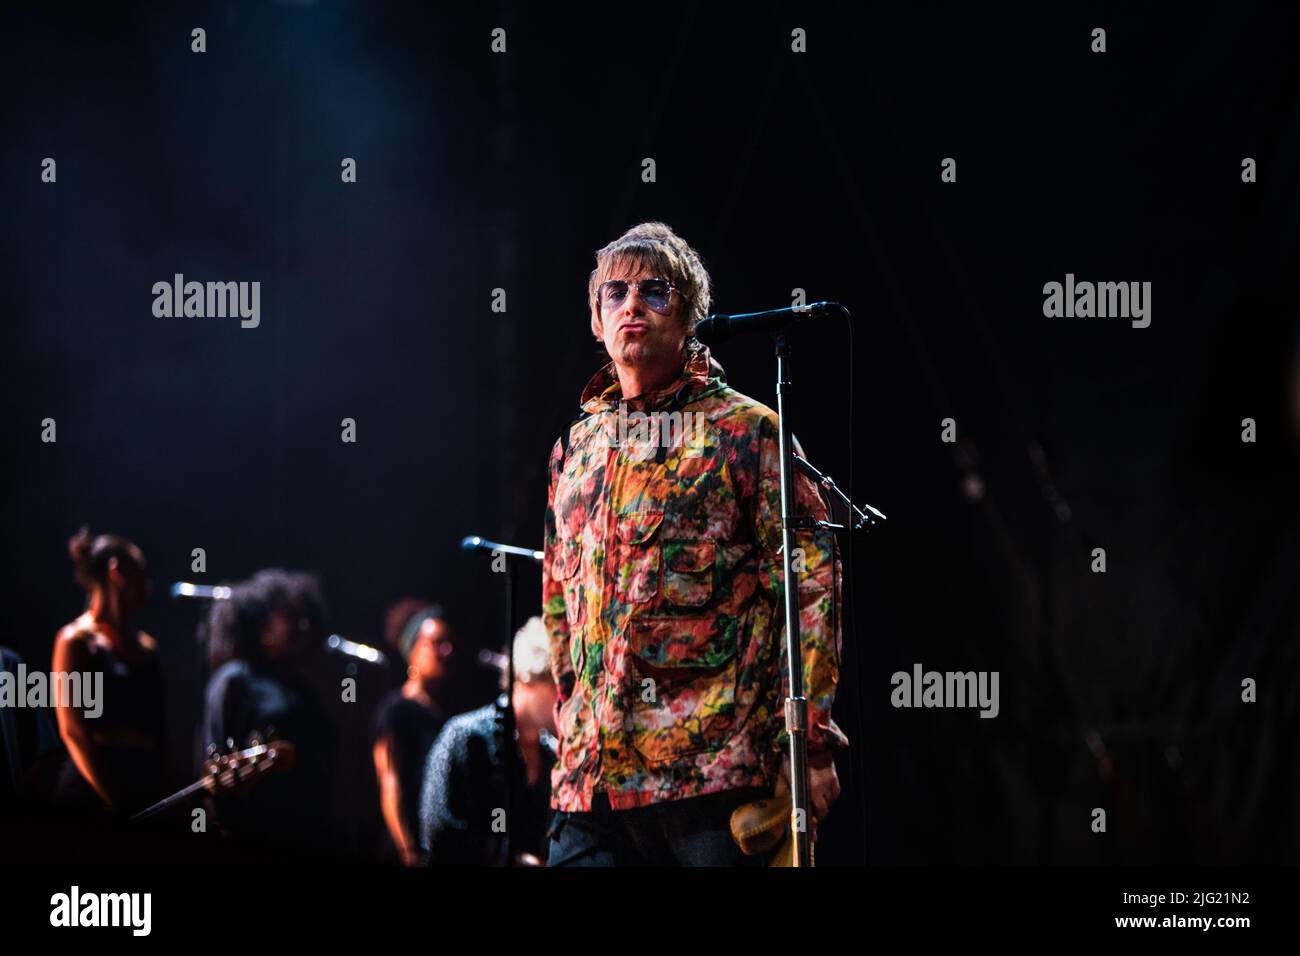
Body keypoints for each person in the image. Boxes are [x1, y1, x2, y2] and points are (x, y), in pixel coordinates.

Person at [542, 222, 847, 866]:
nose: (632, 306)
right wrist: (569, 725)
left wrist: (809, 745)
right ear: (597, 321)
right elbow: (556, 606)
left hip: (709, 777)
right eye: (615, 293)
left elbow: (808, 592)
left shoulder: (746, 431)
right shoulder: (575, 450)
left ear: (690, 316)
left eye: (655, 292)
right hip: (591, 786)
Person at [198, 568, 339, 857]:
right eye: (290, 617)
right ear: (262, 627)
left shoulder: (304, 690)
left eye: (305, 618)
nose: (303, 626)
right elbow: (213, 767)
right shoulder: (234, 681)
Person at [419, 616, 556, 866]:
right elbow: (439, 834)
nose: (563, 697)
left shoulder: (552, 754)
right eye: (555, 685)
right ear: (526, 677)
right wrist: (514, 860)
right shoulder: (464, 736)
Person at [51, 527, 168, 816]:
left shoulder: (146, 648)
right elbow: (74, 732)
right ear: (117, 572)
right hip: (90, 795)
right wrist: (113, 801)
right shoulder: (75, 642)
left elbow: (159, 734)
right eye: (140, 572)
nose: (147, 586)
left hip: (145, 789)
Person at [372, 600, 453, 865]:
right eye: (436, 643)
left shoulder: (445, 713)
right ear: (413, 650)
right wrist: (408, 849)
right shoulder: (395, 710)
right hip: (407, 850)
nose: (446, 651)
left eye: (447, 643)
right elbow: (390, 782)